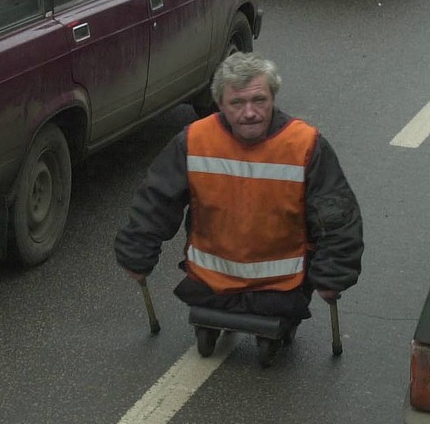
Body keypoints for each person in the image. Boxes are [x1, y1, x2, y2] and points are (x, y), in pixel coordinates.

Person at [114, 52, 363, 356]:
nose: (249, 113)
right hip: (211, 281)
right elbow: (156, 200)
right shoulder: (194, 141)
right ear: (219, 103)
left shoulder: (305, 145)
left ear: (273, 97)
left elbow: (337, 215)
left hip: (280, 286)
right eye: (237, 103)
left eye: (259, 100)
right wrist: (137, 254)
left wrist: (333, 275)